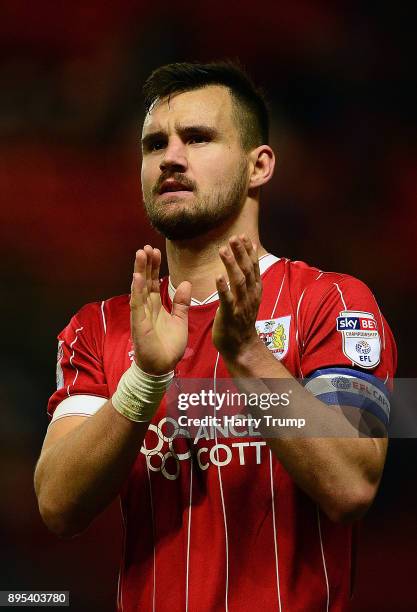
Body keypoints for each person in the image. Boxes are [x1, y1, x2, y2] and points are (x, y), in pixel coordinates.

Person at [34, 61, 396, 612]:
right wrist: (145, 379)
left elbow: (352, 486)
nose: (171, 157)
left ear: (260, 165)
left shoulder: (333, 303)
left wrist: (247, 353)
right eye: (154, 144)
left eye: (198, 138)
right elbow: (58, 506)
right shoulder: (99, 326)